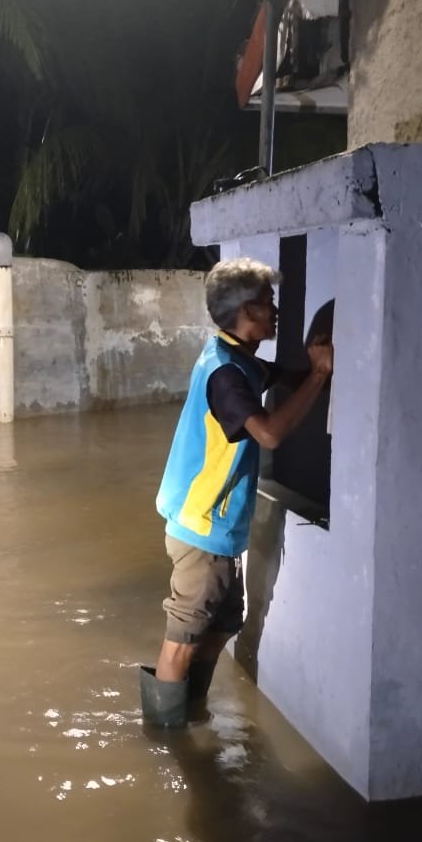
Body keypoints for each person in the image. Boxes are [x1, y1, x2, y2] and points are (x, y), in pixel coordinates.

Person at [139, 256, 333, 727]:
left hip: (214, 528)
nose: (276, 311)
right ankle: (168, 741)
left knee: (225, 622)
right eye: (268, 303)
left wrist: (300, 371)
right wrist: (319, 375)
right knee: (181, 642)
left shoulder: (236, 357)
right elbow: (268, 434)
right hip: (202, 529)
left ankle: (191, 712)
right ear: (245, 312)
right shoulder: (226, 374)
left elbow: (271, 376)